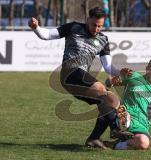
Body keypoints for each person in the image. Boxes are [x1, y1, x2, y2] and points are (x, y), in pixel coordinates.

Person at [28, 7, 127, 149]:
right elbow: (47, 34)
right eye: (94, 24)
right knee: (105, 92)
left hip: (80, 83)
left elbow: (108, 67)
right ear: (88, 20)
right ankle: (116, 128)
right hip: (70, 73)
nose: (96, 28)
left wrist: (121, 73)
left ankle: (93, 139)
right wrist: (36, 27)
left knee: (107, 102)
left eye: (100, 25)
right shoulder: (73, 27)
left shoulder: (103, 40)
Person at [87, 58, 151, 150]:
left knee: (143, 143)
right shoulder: (133, 76)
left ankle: (115, 144)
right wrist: (113, 80)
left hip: (140, 126)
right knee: (109, 97)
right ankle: (114, 129)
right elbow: (108, 83)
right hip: (123, 115)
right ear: (147, 68)